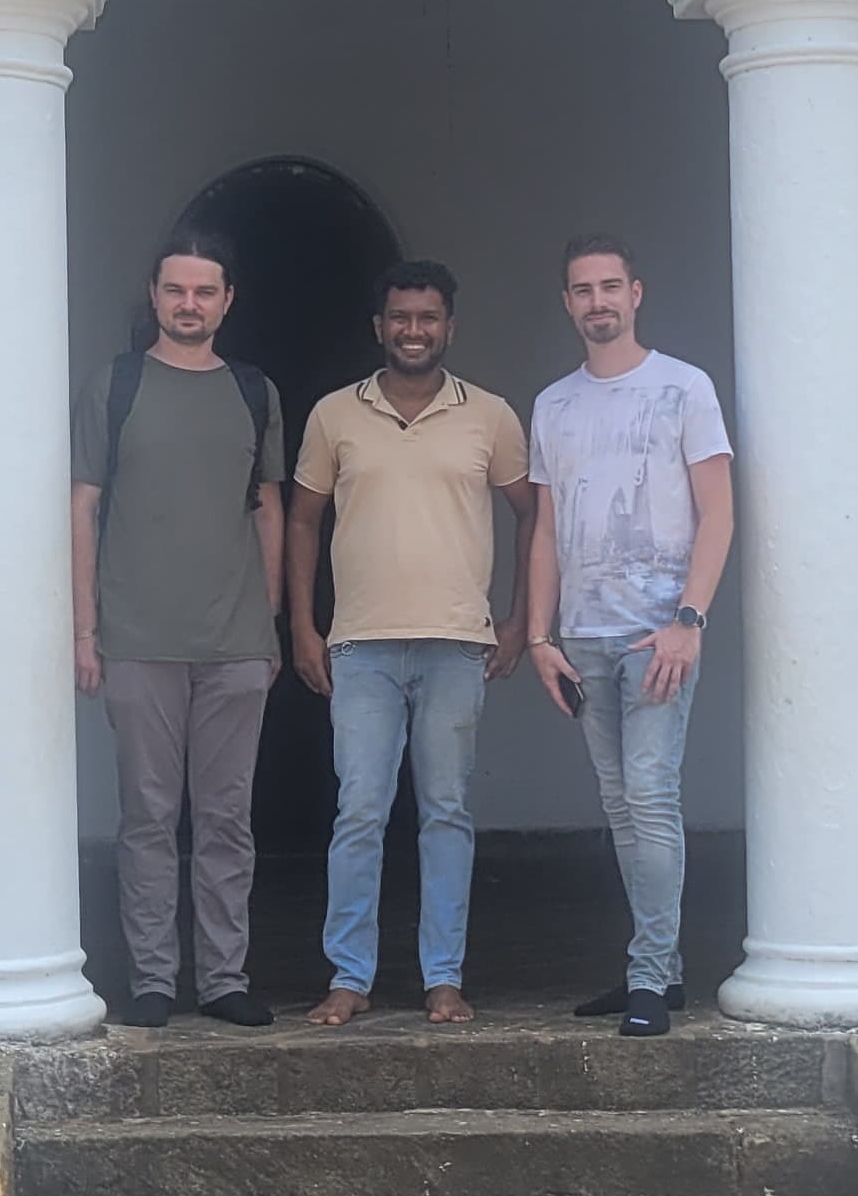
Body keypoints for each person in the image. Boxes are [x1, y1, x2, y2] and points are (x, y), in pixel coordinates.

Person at [287, 258, 532, 1029]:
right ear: (379, 326)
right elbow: (301, 520)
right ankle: (349, 976)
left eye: (427, 318)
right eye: (401, 317)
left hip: (456, 644)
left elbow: (533, 511)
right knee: (359, 813)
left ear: (449, 327)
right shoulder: (334, 414)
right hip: (360, 646)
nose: (413, 330)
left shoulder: (490, 416)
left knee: (446, 813)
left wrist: (522, 619)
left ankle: (443, 979)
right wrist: (303, 625)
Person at [72, 228, 286, 1030]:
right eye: (175, 290)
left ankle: (225, 979)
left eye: (203, 291)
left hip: (235, 644)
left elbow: (269, 509)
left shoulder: (254, 391)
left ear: (227, 301)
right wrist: (85, 630)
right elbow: (83, 506)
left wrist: (267, 622)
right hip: (137, 638)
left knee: (228, 819)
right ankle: (154, 980)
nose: (188, 304)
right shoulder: (117, 385)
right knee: (147, 817)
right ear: (154, 297)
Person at [526, 235, 735, 1034]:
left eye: (610, 287)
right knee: (620, 805)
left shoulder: (684, 387)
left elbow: (719, 511)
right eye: (583, 290)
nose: (598, 302)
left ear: (636, 293)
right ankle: (662, 970)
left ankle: (648, 977)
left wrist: (689, 620)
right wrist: (540, 636)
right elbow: (546, 530)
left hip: (658, 637)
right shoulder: (553, 405)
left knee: (650, 796)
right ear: (568, 303)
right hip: (584, 638)